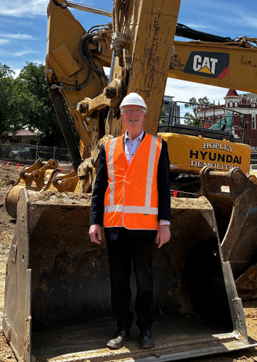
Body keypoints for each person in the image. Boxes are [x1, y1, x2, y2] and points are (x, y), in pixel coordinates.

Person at [88, 92, 172, 350]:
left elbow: (164, 187)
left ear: (144, 115)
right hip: (115, 226)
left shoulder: (158, 146)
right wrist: (94, 221)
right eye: (128, 111)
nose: (133, 115)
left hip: (144, 227)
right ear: (121, 116)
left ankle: (145, 329)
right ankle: (122, 327)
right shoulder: (109, 147)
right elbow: (99, 187)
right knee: (119, 281)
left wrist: (165, 223)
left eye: (137, 110)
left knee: (145, 281)